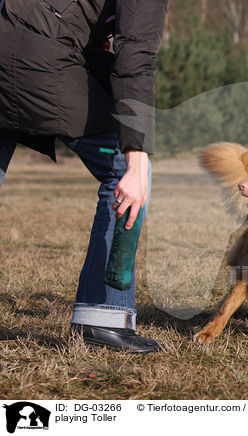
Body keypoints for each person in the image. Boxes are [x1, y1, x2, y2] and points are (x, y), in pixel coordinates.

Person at [0, 0, 169, 353]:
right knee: (124, 171)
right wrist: (136, 159)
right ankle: (103, 316)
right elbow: (135, 59)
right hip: (40, 60)